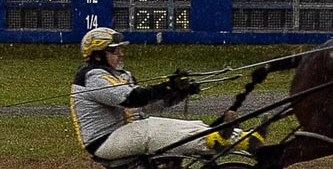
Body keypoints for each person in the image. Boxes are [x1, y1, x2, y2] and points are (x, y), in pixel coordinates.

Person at [71, 27, 260, 161]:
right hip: (104, 141)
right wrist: (167, 87)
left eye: (121, 49)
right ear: (97, 55)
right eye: (114, 50)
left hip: (126, 133)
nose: (121, 54)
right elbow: (132, 98)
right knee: (151, 128)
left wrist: (177, 93)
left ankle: (245, 139)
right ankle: (215, 140)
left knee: (192, 125)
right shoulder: (92, 76)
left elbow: (147, 105)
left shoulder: (122, 75)